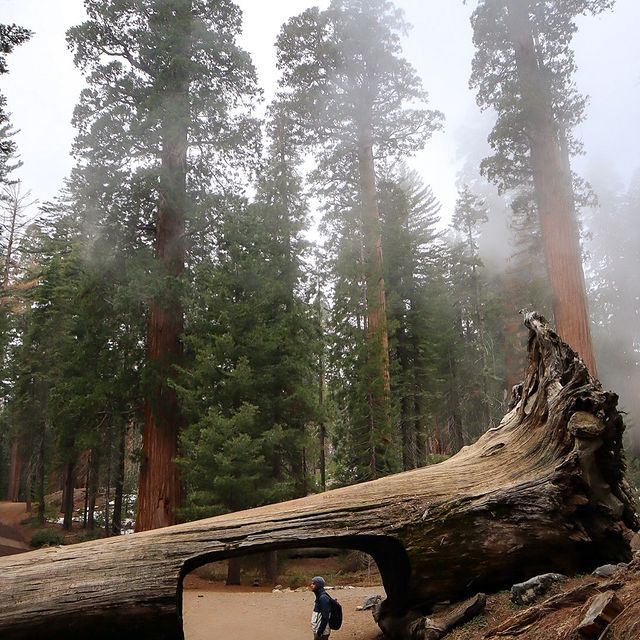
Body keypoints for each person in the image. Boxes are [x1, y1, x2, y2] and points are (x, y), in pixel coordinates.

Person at [310, 575, 331, 640]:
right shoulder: (319, 596)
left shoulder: (323, 598)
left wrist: (319, 632)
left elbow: (325, 617)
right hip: (318, 630)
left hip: (322, 633)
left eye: (313, 583)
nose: (311, 585)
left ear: (318, 585)